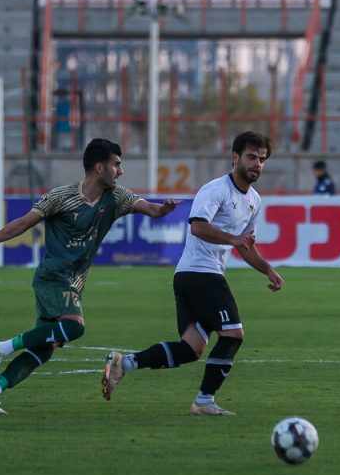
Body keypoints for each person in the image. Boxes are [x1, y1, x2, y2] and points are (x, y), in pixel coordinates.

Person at [0, 138, 181, 415]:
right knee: (75, 327)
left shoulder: (118, 197)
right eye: (117, 165)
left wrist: (164, 209)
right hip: (53, 277)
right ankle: (0, 347)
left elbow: (151, 209)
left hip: (74, 283)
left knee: (43, 350)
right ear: (99, 167)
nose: (121, 171)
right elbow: (23, 223)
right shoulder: (60, 197)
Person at [102, 131, 284, 416]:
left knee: (192, 349)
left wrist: (268, 270)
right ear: (235, 158)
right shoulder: (215, 190)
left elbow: (246, 246)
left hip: (193, 276)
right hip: (201, 274)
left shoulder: (254, 200)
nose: (257, 164)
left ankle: (123, 364)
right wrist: (232, 239)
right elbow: (198, 226)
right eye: (251, 157)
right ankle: (204, 401)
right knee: (233, 335)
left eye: (262, 159)